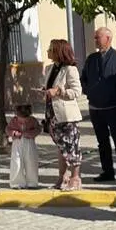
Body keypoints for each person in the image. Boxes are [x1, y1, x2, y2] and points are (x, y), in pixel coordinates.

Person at [81, 27, 116, 185]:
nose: (95, 40)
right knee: (102, 142)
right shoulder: (92, 59)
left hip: (113, 107)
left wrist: (114, 93)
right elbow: (84, 78)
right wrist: (90, 91)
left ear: (108, 39)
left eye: (98, 37)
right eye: (95, 37)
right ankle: (107, 171)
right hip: (96, 108)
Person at [44, 39, 84, 192]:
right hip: (53, 114)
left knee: (71, 146)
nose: (48, 51)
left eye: (51, 49)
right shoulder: (51, 68)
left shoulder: (70, 69)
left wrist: (59, 92)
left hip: (66, 115)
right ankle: (62, 176)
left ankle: (76, 178)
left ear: (58, 52)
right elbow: (50, 87)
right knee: (61, 148)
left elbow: (76, 91)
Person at [7, 103, 40, 189]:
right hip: (17, 142)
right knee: (16, 161)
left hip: (29, 141)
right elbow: (8, 129)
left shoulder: (33, 121)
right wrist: (13, 133)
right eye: (21, 119)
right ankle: (17, 182)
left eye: (25, 119)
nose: (23, 121)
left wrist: (29, 133)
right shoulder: (13, 121)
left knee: (31, 161)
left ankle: (32, 182)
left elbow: (38, 129)